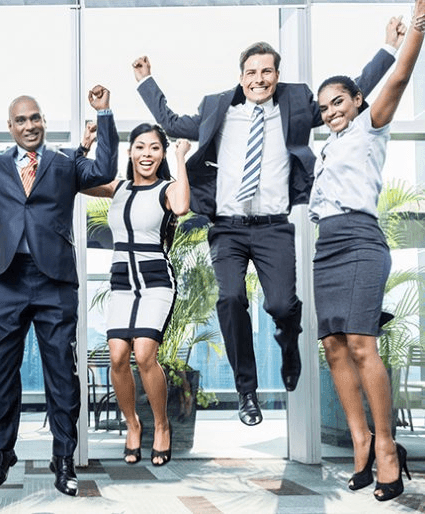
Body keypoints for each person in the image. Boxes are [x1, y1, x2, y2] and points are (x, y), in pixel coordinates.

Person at [133, 19, 403, 426]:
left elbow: (354, 91)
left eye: (267, 71)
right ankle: (247, 390)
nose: (259, 79)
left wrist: (388, 48)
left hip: (274, 226)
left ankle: (289, 343)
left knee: (280, 305)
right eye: (251, 72)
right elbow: (171, 123)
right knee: (230, 299)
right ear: (241, 77)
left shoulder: (295, 105)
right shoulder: (216, 108)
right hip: (227, 226)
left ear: (277, 75)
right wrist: (145, 80)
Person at [0, 89, 118, 496]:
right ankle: (1, 452)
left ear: (44, 122)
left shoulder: (65, 162)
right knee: (1, 370)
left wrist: (104, 113)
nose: (29, 125)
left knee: (62, 372)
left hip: (55, 280)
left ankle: (64, 456)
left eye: (35, 118)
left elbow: (104, 169)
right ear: (10, 127)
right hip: (6, 278)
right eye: (21, 120)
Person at [312, 5, 424, 503]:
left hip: (360, 240)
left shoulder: (370, 126)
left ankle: (386, 449)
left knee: (361, 343)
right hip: (327, 247)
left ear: (358, 100)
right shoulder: (327, 148)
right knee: (334, 346)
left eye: (339, 102)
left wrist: (414, 32)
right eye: (324, 108)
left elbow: (398, 78)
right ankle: (360, 441)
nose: (331, 112)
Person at [84, 124, 190, 466]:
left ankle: (161, 425)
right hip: (122, 281)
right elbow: (77, 179)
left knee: (144, 355)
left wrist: (181, 157)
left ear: (162, 154)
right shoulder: (117, 188)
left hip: (156, 280)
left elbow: (182, 206)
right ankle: (133, 425)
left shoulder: (166, 188)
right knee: (117, 356)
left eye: (154, 148)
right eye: (140, 146)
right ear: (129, 152)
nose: (147, 153)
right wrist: (86, 146)